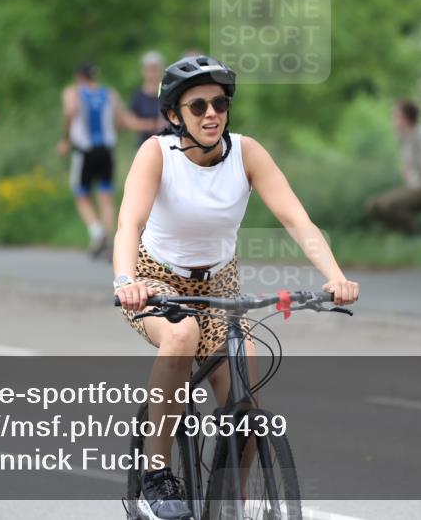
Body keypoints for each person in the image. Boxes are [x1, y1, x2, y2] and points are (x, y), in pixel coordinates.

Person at [113, 55, 359, 520]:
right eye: (199, 105)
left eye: (220, 104)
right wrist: (127, 281)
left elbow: (296, 218)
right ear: (174, 115)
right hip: (155, 278)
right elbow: (129, 223)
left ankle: (230, 503)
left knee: (244, 397)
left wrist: (335, 276)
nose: (212, 114)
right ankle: (155, 477)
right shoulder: (156, 154)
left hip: (220, 283)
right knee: (181, 337)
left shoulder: (246, 153)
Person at [56, 62, 156, 258]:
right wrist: (114, 133)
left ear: (79, 76)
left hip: (84, 150)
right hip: (106, 150)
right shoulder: (109, 93)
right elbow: (122, 119)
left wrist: (66, 139)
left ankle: (97, 231)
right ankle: (110, 241)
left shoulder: (73, 92)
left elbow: (69, 111)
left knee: (81, 194)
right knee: (106, 195)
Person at [365, 99, 421, 235]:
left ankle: (419, 235)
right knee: (372, 205)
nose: (392, 119)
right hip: (414, 188)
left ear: (405, 117)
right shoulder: (404, 138)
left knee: (387, 205)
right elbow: (407, 167)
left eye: (395, 115)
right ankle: (407, 233)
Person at [130, 51, 169, 147]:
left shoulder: (169, 92)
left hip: (168, 143)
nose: (153, 73)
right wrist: (151, 125)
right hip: (145, 144)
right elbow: (130, 121)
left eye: (155, 69)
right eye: (150, 69)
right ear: (144, 71)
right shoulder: (137, 95)